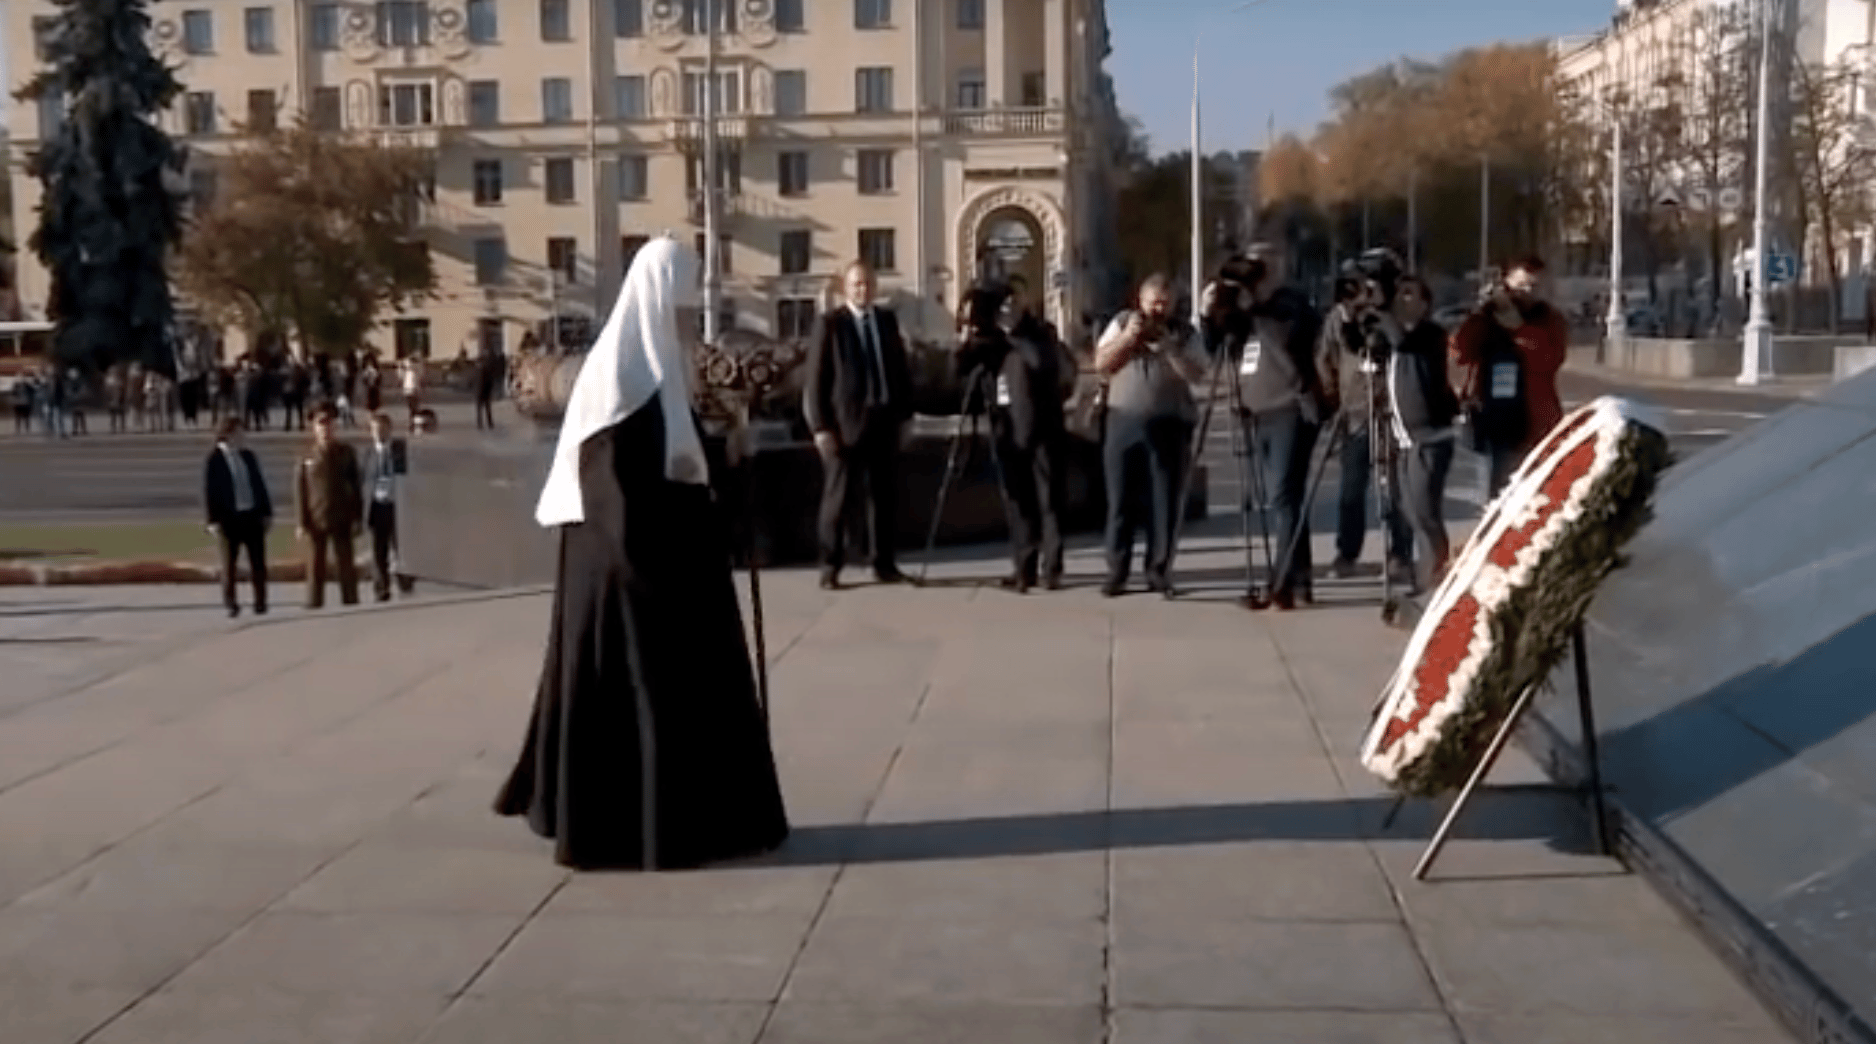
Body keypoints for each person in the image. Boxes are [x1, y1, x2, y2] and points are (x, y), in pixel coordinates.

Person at [493, 236, 788, 870]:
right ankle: (638, 831)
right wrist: (686, 529)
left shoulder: (659, 372)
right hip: (627, 578)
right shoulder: (620, 378)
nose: (687, 321)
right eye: (680, 308)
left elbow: (675, 468)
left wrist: (723, 459)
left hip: (661, 565)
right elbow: (620, 493)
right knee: (637, 706)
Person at [1209, 243, 1326, 610]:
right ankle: (1300, 577)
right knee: (1283, 498)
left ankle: (1283, 581)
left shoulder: (1291, 305)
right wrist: (1211, 313)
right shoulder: (1246, 312)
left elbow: (1285, 345)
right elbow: (1216, 348)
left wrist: (1253, 308)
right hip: (1255, 411)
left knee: (1283, 495)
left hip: (1291, 409)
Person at [1093, 272, 1209, 598]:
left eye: (1164, 303)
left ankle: (1158, 570)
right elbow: (1101, 363)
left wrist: (1171, 349)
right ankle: (1117, 571)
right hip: (1123, 421)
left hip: (1168, 423)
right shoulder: (1122, 322)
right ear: (1139, 301)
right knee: (1119, 500)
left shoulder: (1185, 333)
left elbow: (1198, 374)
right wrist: (1128, 338)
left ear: (1172, 303)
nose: (1157, 310)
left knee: (1164, 502)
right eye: (1152, 303)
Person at [803, 259, 914, 590]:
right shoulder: (831, 324)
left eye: (868, 285)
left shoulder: (887, 321)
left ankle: (884, 563)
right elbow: (816, 379)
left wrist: (906, 417)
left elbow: (901, 372)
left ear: (876, 287)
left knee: (883, 498)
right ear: (845, 289)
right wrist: (821, 427)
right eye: (856, 285)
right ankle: (830, 565)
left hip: (884, 421)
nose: (863, 291)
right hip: (844, 426)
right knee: (837, 498)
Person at [965, 273, 1068, 592]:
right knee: (1018, 501)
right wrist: (968, 339)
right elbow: (960, 370)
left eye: (1014, 301)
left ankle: (1052, 568)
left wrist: (1013, 333)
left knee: (1048, 500)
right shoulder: (990, 336)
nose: (1008, 308)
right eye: (1004, 303)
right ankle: (1024, 567)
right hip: (1007, 428)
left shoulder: (1040, 332)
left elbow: (1042, 362)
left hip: (1043, 427)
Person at [1316, 270, 1412, 583]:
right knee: (1351, 489)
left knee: (1397, 489)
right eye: (1359, 288)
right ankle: (1347, 553)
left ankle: (1400, 554)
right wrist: (1331, 403)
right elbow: (1325, 358)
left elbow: (1405, 347)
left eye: (1372, 287)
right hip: (1354, 412)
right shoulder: (1340, 317)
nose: (1364, 295)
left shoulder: (1397, 314)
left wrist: (1384, 314)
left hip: (1391, 410)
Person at [1450, 254, 1569, 496]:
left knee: (1534, 496)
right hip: (1491, 420)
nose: (1528, 292)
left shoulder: (1550, 320)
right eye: (1521, 285)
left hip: (1533, 422)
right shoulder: (1488, 317)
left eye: (1534, 286)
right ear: (1506, 283)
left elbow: (1548, 360)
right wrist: (1482, 314)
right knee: (1494, 499)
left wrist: (1518, 327)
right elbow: (1459, 352)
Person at [1383, 275, 1460, 594]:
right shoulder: (1394, 335)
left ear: (1425, 304)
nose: (1403, 300)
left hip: (1430, 437)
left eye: (1410, 294)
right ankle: (1426, 575)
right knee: (1409, 510)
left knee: (1425, 511)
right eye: (1399, 294)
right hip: (1404, 439)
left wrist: (1382, 309)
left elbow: (1402, 342)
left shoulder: (1429, 335)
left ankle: (1436, 579)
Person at [203, 416, 273, 617]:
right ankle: (231, 602)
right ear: (229, 434)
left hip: (251, 515)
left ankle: (261, 601)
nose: (243, 436)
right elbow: (209, 491)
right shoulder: (214, 459)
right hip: (229, 519)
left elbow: (259, 484)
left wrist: (266, 512)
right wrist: (212, 520)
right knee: (229, 564)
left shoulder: (248, 456)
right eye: (240, 432)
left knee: (258, 562)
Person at [295, 404, 364, 608]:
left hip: (342, 516)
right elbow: (300, 491)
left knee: (346, 563)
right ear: (314, 428)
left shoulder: (346, 452)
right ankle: (314, 601)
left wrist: (357, 517)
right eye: (321, 424)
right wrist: (301, 522)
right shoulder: (306, 455)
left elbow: (356, 486)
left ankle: (350, 600)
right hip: (317, 517)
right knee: (316, 565)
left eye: (330, 424)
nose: (326, 429)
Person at [363, 412, 408, 601]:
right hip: (377, 506)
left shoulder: (400, 450)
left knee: (402, 547)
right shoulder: (368, 454)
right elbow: (363, 482)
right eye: (375, 429)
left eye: (383, 429)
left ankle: (406, 582)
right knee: (378, 550)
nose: (379, 433)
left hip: (398, 505)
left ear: (390, 430)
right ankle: (381, 588)